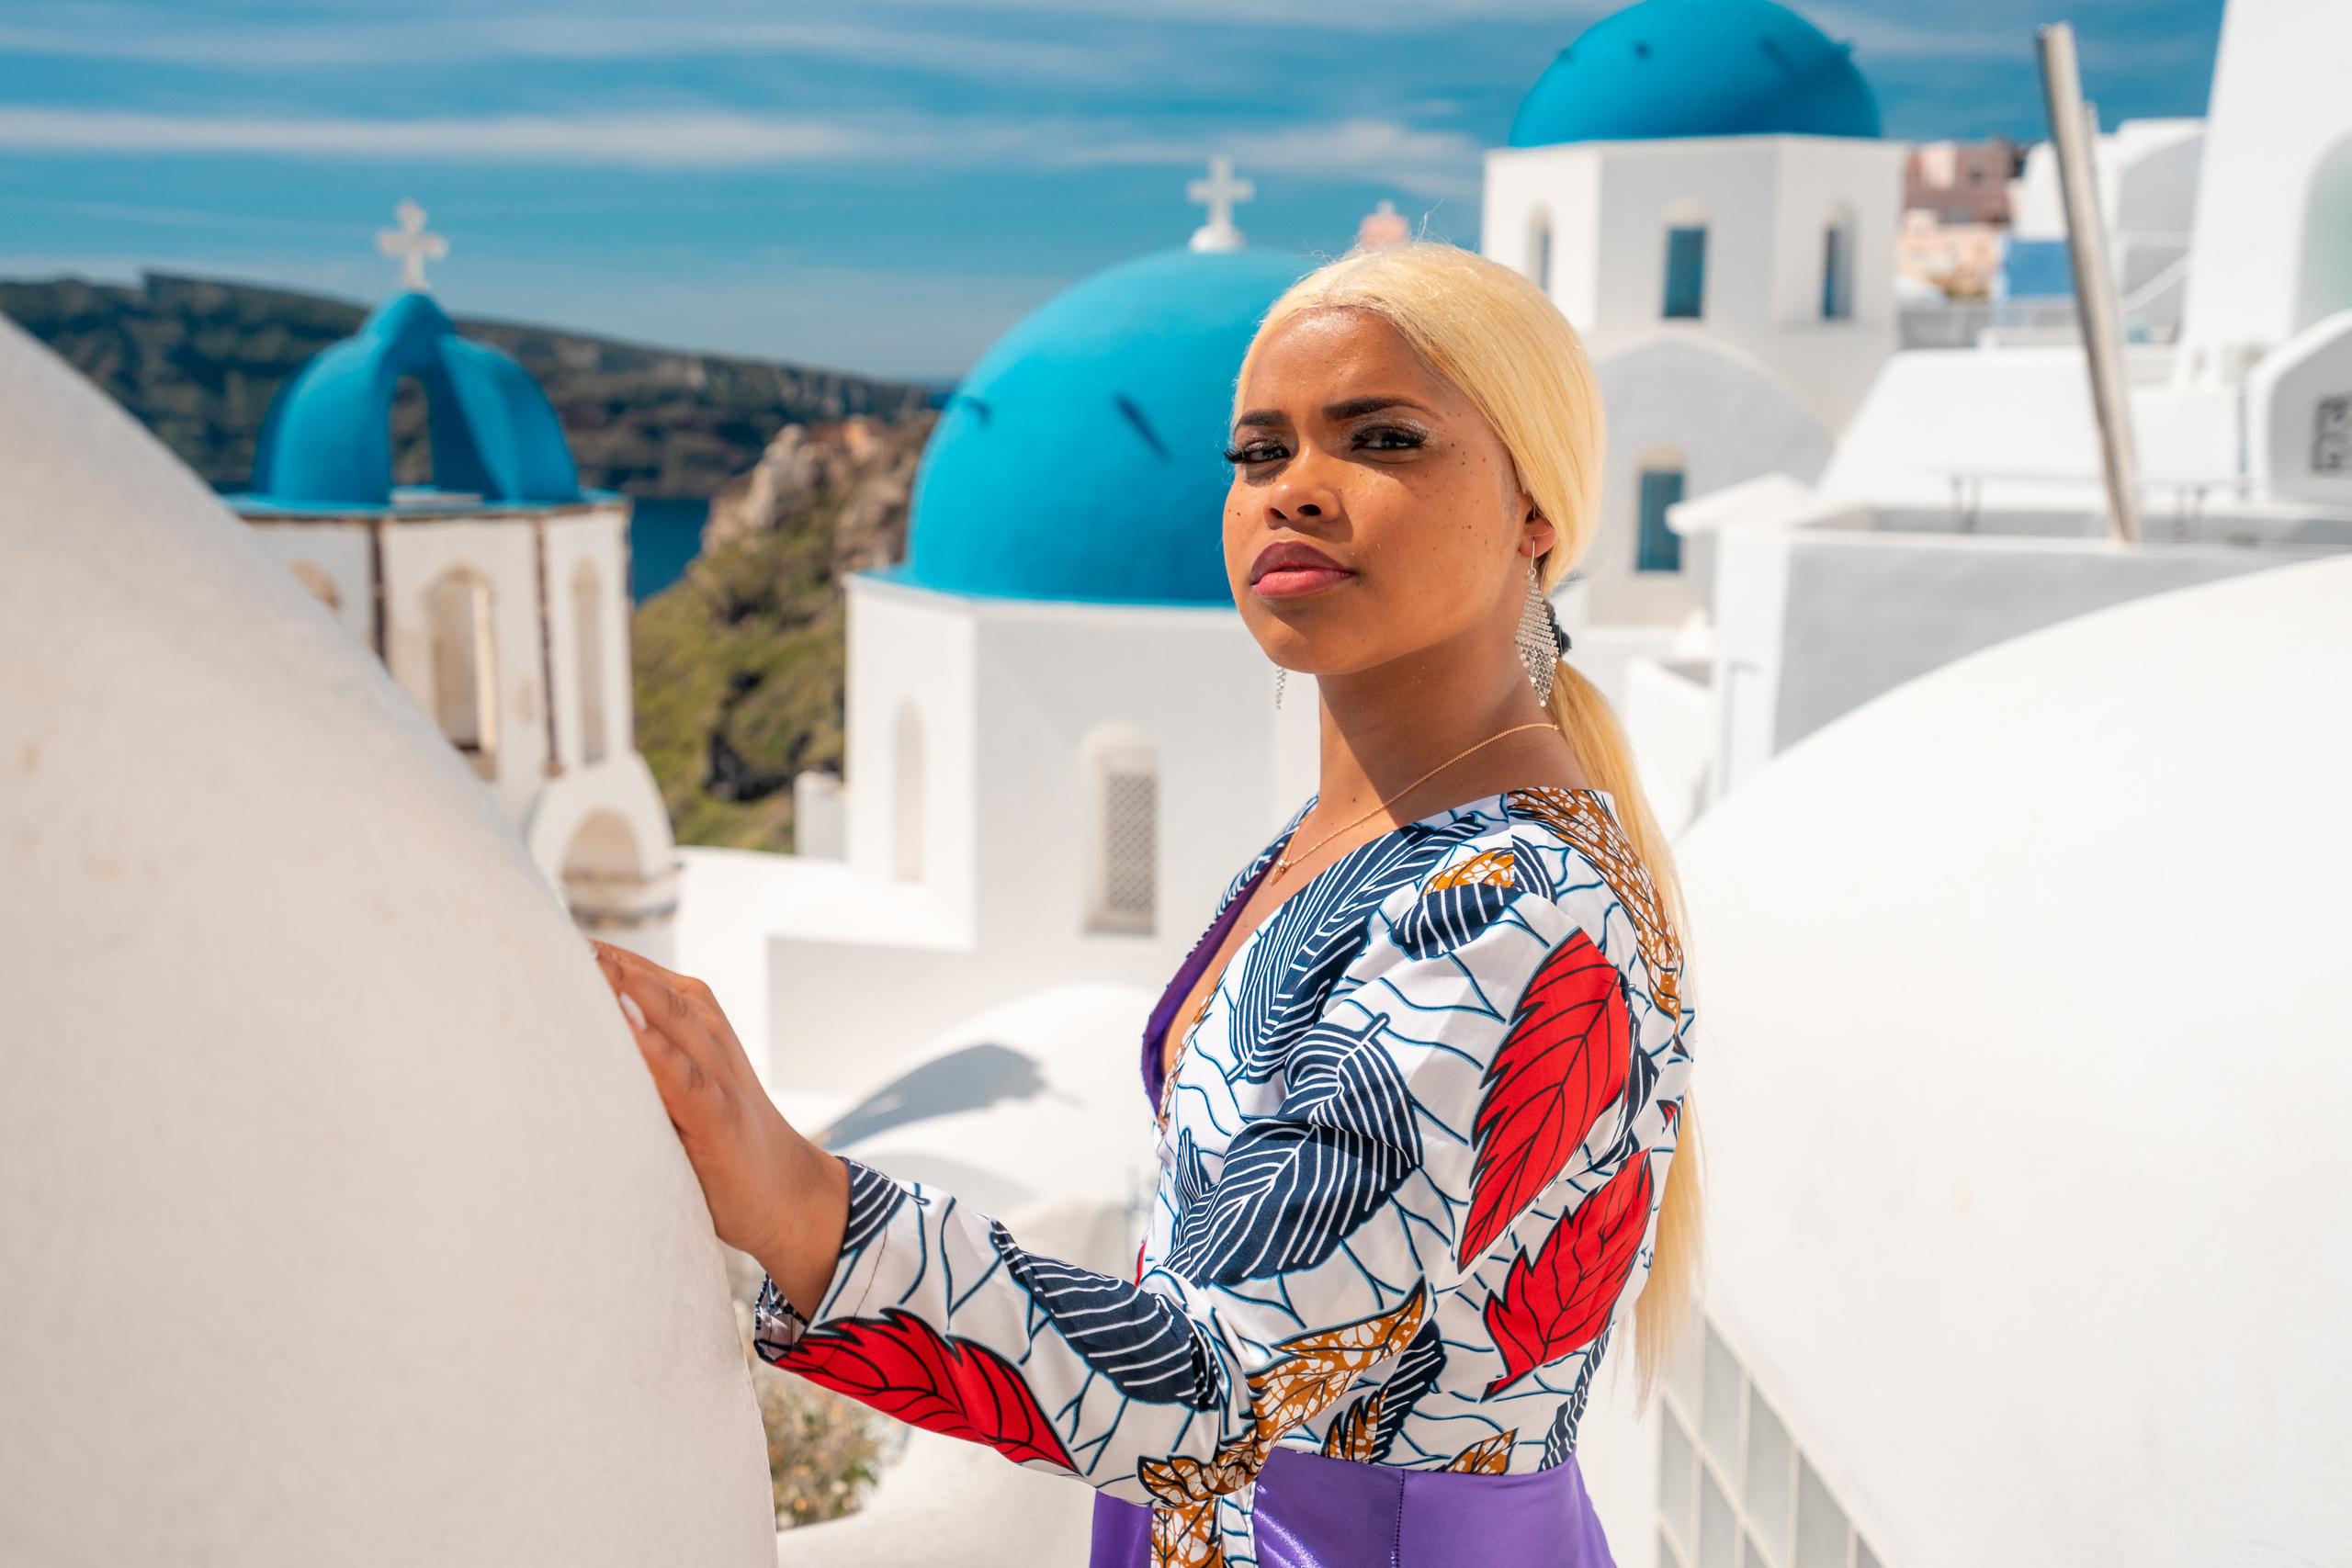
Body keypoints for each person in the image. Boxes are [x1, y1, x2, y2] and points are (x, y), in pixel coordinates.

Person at [593, 240, 1700, 1568]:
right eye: (1258, 451)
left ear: (1537, 511)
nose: (1297, 491)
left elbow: (1213, 1389)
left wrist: (803, 1206)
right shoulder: (1370, 834)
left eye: (1382, 438)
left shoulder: (1510, 904)